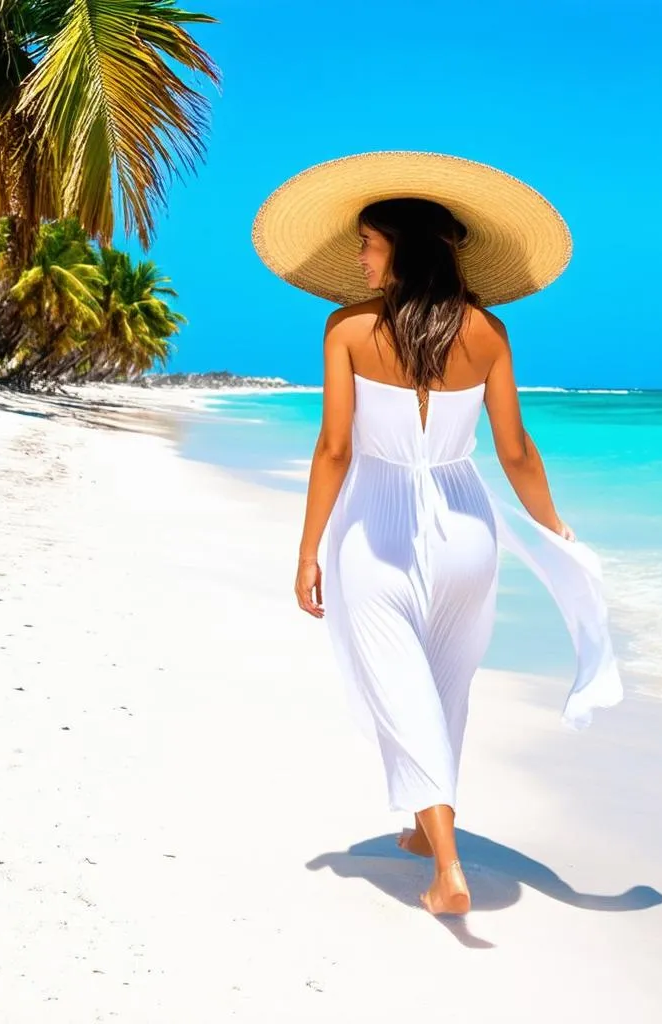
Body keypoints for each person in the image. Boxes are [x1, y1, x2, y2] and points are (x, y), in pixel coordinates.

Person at [252, 152, 622, 916]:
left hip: (375, 529)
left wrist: (308, 548)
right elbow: (515, 450)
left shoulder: (348, 329)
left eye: (367, 243)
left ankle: (448, 869)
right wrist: (555, 528)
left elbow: (334, 449)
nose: (358, 257)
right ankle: (427, 830)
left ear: (399, 248)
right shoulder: (488, 331)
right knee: (447, 684)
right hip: (468, 530)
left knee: (400, 686)